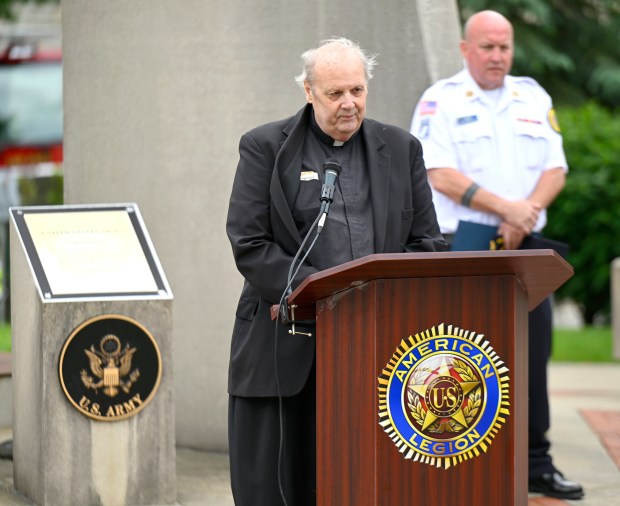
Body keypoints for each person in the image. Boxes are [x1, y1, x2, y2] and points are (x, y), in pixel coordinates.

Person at [226, 37, 446, 505]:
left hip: (380, 347)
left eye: (357, 91)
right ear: (309, 91)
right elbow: (249, 242)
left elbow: (427, 243)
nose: (349, 103)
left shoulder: (402, 148)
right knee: (277, 488)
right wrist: (320, 293)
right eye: (335, 93)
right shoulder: (266, 147)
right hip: (286, 347)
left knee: (364, 483)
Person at [410, 10, 583, 501]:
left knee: (532, 355)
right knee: (459, 359)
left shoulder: (532, 96)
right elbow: (437, 171)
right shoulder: (440, 99)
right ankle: (455, 466)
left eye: (504, 47)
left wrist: (523, 214)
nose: (497, 56)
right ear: (465, 49)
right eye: (487, 47)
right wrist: (504, 207)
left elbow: (556, 168)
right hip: (461, 246)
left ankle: (535, 464)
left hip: (524, 247)